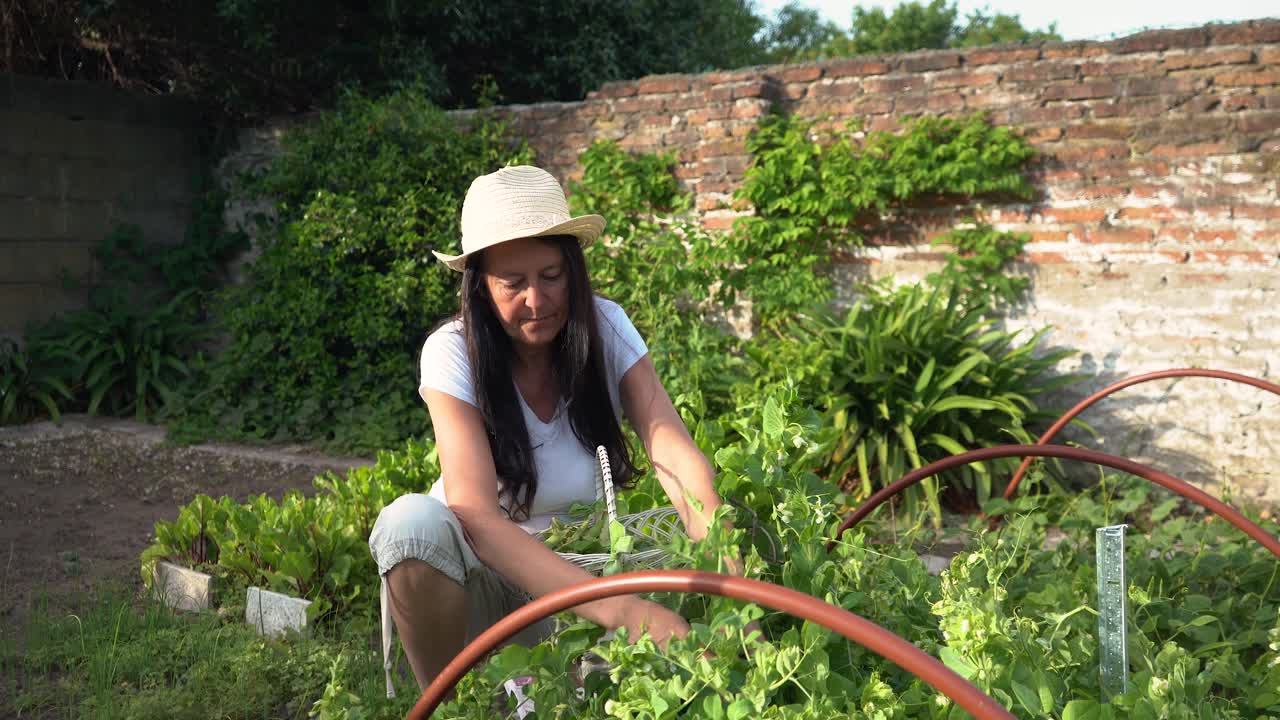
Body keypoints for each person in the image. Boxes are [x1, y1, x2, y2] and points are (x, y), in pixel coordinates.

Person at [368, 165, 744, 697]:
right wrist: (625, 609)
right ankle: (449, 703)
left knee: (646, 686)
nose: (537, 301)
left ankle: (534, 687)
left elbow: (677, 458)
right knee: (410, 525)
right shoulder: (452, 351)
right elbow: (475, 516)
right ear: (480, 285)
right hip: (487, 586)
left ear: (573, 268)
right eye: (513, 284)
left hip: (577, 576)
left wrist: (735, 597)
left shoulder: (606, 328)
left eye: (550, 276)